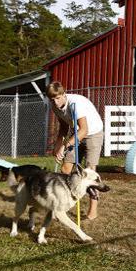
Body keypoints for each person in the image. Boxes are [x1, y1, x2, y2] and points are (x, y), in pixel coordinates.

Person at [45, 81, 105, 220]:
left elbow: (84, 130)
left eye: (58, 98)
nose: (55, 102)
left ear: (64, 94)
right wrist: (58, 144)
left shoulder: (76, 103)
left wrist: (64, 146)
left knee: (90, 172)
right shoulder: (55, 106)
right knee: (65, 169)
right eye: (52, 100)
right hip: (75, 133)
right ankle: (60, 204)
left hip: (93, 133)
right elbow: (64, 127)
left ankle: (92, 211)